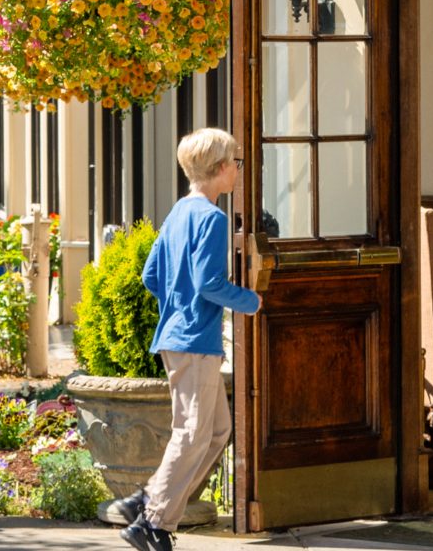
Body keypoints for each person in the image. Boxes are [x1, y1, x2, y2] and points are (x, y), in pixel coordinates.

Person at [116, 128, 262, 551]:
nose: (238, 170)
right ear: (220, 168)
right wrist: (251, 301)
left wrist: (177, 304)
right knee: (193, 431)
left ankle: (149, 501)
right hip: (195, 341)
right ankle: (154, 521)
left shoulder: (180, 211)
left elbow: (150, 276)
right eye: (236, 162)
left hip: (178, 336)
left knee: (217, 431)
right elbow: (209, 283)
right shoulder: (214, 219)